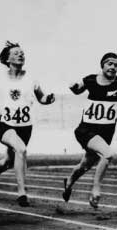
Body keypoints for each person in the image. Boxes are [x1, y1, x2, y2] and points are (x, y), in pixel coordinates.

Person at [0, 41, 55, 207]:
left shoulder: (31, 79)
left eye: (22, 52)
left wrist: (48, 99)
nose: (20, 55)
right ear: (7, 59)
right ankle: (22, 193)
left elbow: (41, 98)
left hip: (25, 127)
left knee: (9, 161)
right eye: (16, 53)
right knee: (21, 150)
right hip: (6, 126)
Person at [62, 52, 117, 209]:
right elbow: (77, 90)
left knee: (84, 166)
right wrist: (72, 85)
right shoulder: (91, 80)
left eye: (116, 65)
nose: (113, 67)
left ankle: (69, 182)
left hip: (106, 133)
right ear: (102, 65)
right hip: (86, 130)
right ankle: (96, 189)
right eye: (109, 63)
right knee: (108, 154)